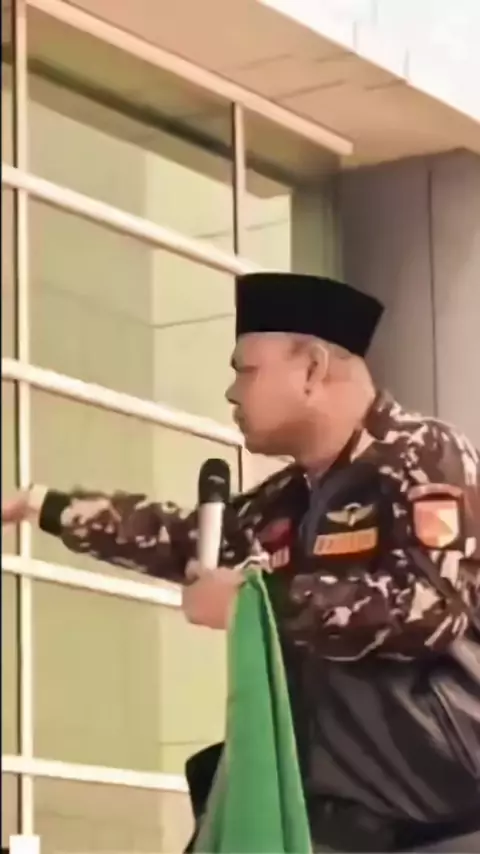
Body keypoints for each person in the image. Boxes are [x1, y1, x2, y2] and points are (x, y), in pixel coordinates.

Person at [3, 272, 480, 852]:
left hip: (443, 815)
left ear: (312, 369)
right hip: (334, 816)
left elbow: (430, 609)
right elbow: (180, 538)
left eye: (246, 370)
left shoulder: (420, 455)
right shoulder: (287, 500)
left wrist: (258, 602)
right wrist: (42, 505)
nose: (232, 393)